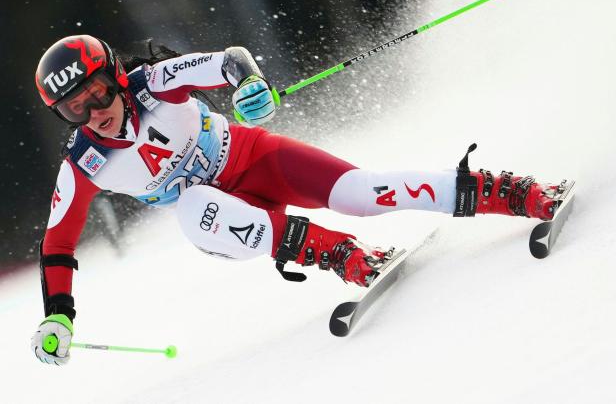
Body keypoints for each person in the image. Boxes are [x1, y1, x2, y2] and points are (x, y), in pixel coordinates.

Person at [31, 34, 566, 365]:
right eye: (75, 109)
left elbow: (229, 61)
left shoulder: (153, 84)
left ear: (115, 76)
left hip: (256, 157)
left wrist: (249, 85)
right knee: (193, 209)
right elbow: (57, 241)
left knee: (364, 193)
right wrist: (59, 315)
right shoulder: (84, 163)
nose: (94, 112)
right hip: (228, 217)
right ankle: (343, 254)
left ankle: (512, 192)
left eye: (98, 93)